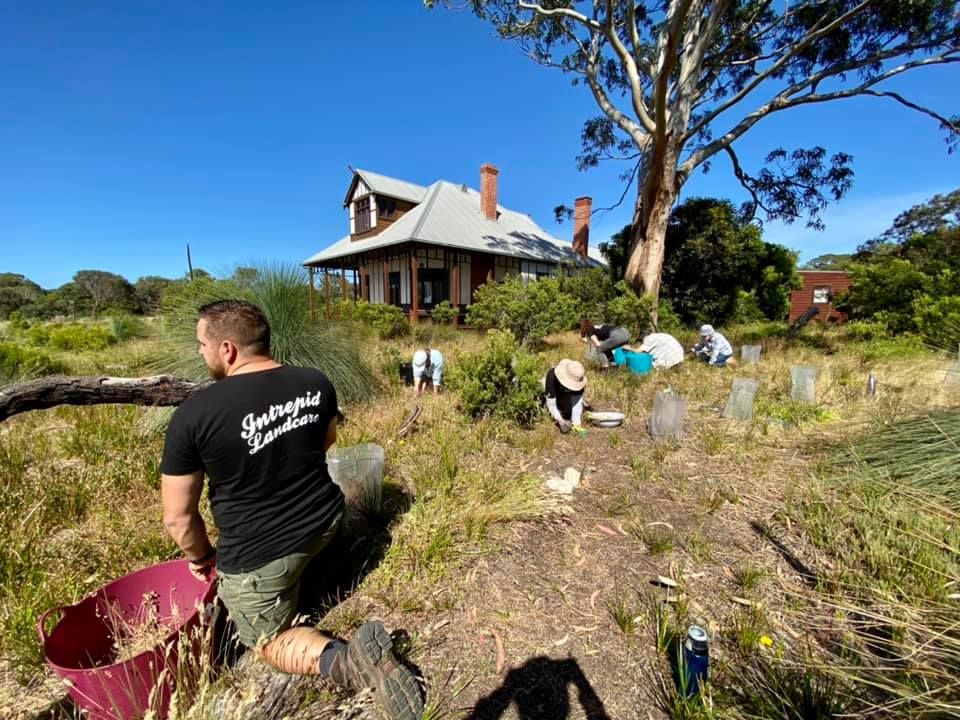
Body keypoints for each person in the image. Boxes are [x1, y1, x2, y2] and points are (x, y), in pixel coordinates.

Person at [159, 300, 423, 720]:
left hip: (262, 558)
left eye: (202, 344)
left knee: (266, 642)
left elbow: (177, 516)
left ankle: (347, 663)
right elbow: (327, 442)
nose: (200, 352)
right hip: (325, 522)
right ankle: (318, 576)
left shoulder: (194, 415)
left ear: (227, 349)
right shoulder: (314, 382)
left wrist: (203, 559)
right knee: (311, 566)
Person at [543, 359, 588, 434]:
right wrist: (561, 421)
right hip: (553, 390)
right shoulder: (552, 376)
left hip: (566, 392)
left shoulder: (578, 377)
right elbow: (551, 404)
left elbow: (577, 403)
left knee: (567, 412)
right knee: (556, 408)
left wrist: (577, 424)